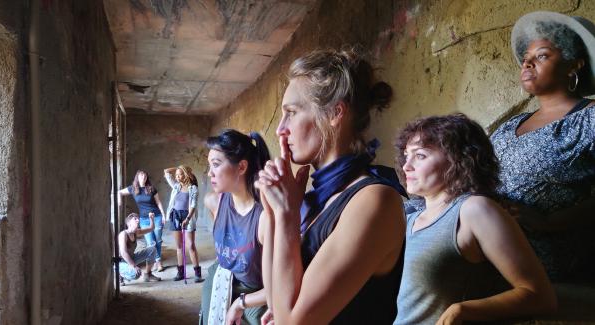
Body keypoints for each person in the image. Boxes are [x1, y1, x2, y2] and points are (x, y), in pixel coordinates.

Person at [255, 48, 407, 324]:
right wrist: (275, 212)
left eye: (291, 113)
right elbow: (277, 301)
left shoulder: (375, 200)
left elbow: (293, 323)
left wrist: (288, 216)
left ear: (335, 113)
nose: (280, 130)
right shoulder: (316, 199)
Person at [393, 114, 557, 324]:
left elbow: (540, 297)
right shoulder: (410, 218)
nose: (407, 166)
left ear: (458, 159)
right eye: (406, 155)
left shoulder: (474, 210)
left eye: (421, 156)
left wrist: (463, 310)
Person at [491, 11, 595, 282]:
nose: (527, 64)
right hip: (489, 241)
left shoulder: (590, 119)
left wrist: (549, 222)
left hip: (541, 255)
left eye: (542, 56)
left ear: (574, 65)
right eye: (526, 59)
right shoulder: (510, 125)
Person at [199, 129, 272, 325]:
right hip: (219, 285)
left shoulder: (264, 218)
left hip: (254, 298)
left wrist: (240, 303)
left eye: (216, 164)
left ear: (241, 167)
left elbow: (277, 287)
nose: (210, 173)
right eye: (209, 165)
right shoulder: (214, 202)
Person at [118, 170, 167, 272]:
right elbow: (120, 192)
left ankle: (158, 263)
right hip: (144, 219)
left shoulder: (151, 189)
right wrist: (119, 203)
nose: (144, 177)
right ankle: (156, 262)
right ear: (137, 177)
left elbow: (158, 203)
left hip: (156, 216)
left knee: (158, 240)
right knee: (150, 242)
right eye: (141, 176)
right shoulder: (133, 189)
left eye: (145, 176)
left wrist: (163, 215)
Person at [164, 165, 203, 282]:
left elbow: (193, 205)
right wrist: (178, 167)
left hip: (188, 216)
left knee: (190, 245)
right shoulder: (176, 186)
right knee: (179, 246)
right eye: (176, 175)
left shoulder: (193, 188)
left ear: (185, 174)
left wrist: (188, 218)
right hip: (175, 215)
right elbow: (166, 171)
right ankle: (180, 272)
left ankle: (197, 273)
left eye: (179, 174)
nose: (177, 177)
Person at [118, 212, 162, 283]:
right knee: (136, 274)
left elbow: (151, 228)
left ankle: (148, 274)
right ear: (129, 223)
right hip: (121, 262)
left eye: (138, 219)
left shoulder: (136, 232)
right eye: (135, 219)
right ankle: (120, 274)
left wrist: (151, 218)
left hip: (132, 258)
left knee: (152, 250)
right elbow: (123, 252)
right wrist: (134, 266)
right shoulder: (123, 234)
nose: (138, 220)